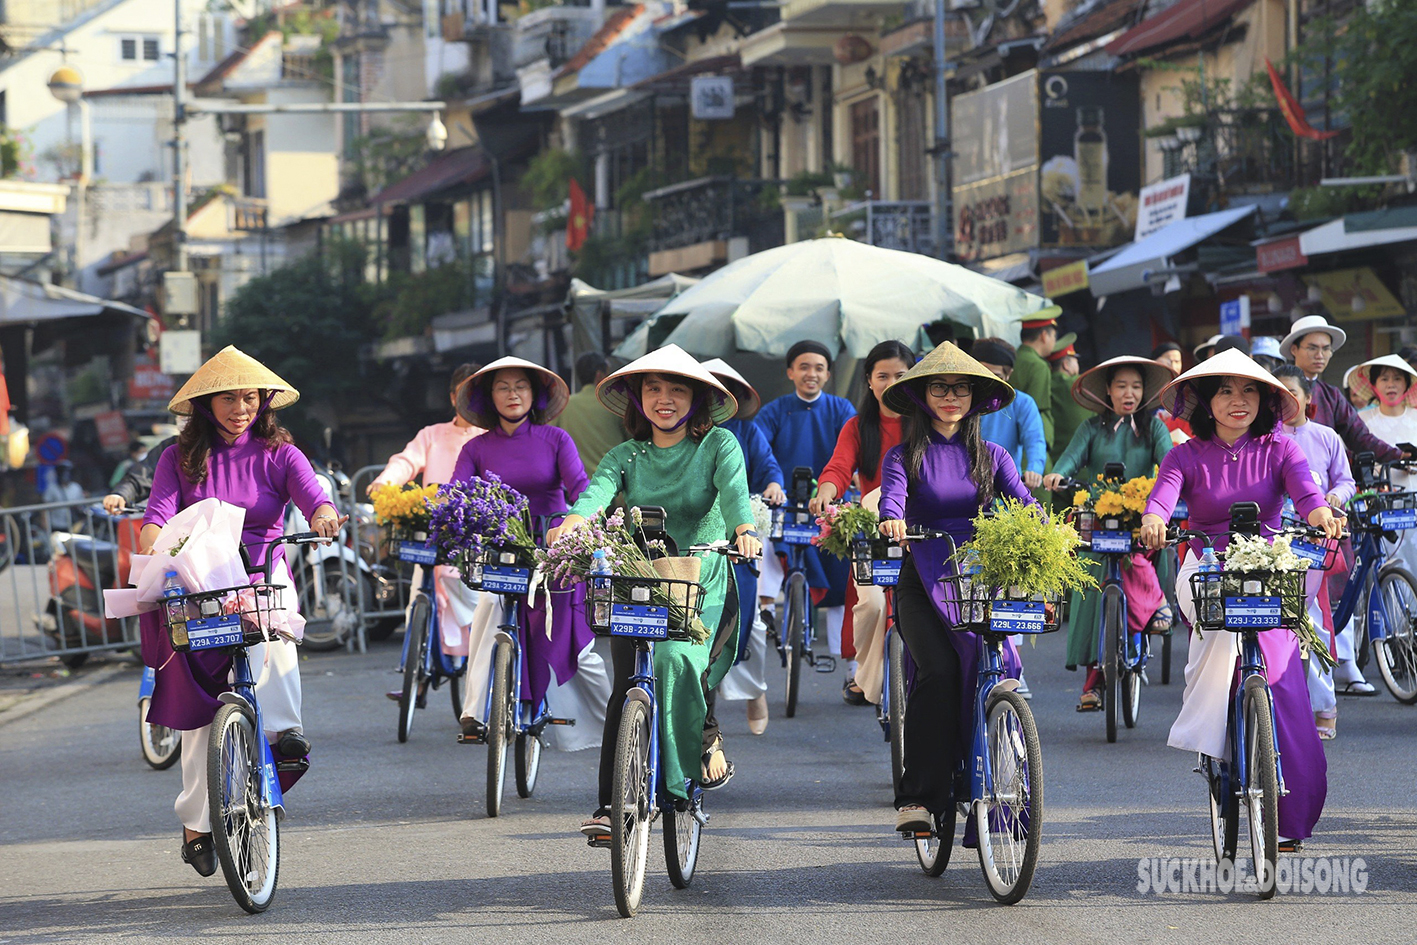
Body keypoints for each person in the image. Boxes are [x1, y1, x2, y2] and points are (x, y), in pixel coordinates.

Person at [139, 346, 343, 877]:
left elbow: (314, 496)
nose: (239, 407)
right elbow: (157, 514)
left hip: (262, 571)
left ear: (264, 401)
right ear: (206, 403)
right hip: (201, 578)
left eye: (249, 396)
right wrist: (153, 548)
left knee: (275, 634)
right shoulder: (176, 458)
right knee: (202, 712)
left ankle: (283, 731)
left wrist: (323, 512)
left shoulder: (279, 452)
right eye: (228, 397)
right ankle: (196, 822)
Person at [548, 345, 760, 838]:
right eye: (653, 389)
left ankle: (696, 751)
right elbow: (596, 492)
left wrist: (744, 528)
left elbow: (733, 494)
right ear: (638, 399)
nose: (664, 399)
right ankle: (609, 805)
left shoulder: (719, 445)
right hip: (641, 578)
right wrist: (574, 522)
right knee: (627, 684)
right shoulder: (626, 455)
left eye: (677, 390)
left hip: (701, 576)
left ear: (696, 399)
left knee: (677, 661)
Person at [1139, 348, 1343, 851]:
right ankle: (1213, 746)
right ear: (1206, 401)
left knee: (1283, 680)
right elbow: (1163, 496)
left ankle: (1288, 810)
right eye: (1225, 391)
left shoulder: (1281, 448)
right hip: (1205, 563)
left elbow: (1307, 495)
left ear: (1266, 399)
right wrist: (1153, 519)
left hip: (1268, 563)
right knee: (1217, 634)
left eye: (1249, 390)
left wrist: (1321, 516)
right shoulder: (1183, 454)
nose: (1238, 401)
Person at [876, 341, 1036, 832]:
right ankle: (918, 798)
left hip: (977, 576)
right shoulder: (901, 456)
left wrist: (1051, 534)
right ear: (923, 396)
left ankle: (998, 785)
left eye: (960, 389)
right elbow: (893, 501)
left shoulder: (993, 455)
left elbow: (1025, 504)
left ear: (974, 398)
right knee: (941, 671)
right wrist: (891, 521)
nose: (951, 397)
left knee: (1000, 666)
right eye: (940, 388)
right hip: (921, 579)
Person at [449, 357, 605, 746]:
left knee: (578, 650)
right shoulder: (477, 448)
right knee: (488, 610)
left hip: (554, 552)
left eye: (521, 385)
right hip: (503, 553)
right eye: (503, 387)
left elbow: (581, 490)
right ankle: (474, 713)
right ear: (490, 397)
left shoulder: (556, 440)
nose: (513, 393)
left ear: (534, 394)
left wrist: (577, 524)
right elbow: (457, 492)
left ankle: (619, 723)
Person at [1042, 356, 1175, 710]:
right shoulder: (1090, 428)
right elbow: (1069, 460)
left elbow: (1171, 464)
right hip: (1098, 514)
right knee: (1088, 577)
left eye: (1135, 386)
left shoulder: (1155, 428)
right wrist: (1058, 475)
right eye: (1121, 386)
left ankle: (1156, 601)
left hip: (1142, 517)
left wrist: (1167, 496)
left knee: (1145, 552)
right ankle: (1094, 678)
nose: (1128, 393)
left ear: (1144, 392)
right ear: (1108, 392)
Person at [810, 340, 914, 705]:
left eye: (900, 375)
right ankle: (864, 675)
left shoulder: (928, 423)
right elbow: (839, 467)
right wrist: (826, 491)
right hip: (875, 529)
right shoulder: (858, 426)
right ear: (869, 381)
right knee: (871, 605)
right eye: (882, 376)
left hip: (921, 528)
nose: (890, 382)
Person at [371, 364, 485, 683]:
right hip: (433, 529)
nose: (471, 400)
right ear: (452, 397)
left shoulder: (490, 437)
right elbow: (406, 461)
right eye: (465, 392)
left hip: (475, 535)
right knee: (417, 596)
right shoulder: (432, 434)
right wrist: (385, 483)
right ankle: (415, 672)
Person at [754, 340, 856, 659]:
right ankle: (767, 606)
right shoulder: (773, 411)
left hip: (831, 506)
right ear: (790, 372)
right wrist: (771, 484)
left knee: (841, 583)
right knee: (761, 531)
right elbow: (760, 452)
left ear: (827, 374)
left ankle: (847, 665)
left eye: (819, 368)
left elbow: (851, 454)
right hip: (785, 502)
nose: (811, 374)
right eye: (804, 367)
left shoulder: (842, 410)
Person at [1273, 365, 1357, 737]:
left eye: (1294, 393)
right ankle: (1270, 709)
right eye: (1279, 394)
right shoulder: (1263, 439)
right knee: (1271, 624)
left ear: (1309, 399)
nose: (1287, 401)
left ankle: (1325, 707)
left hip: (1313, 542)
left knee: (1314, 626)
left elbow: (1346, 481)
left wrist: (1333, 498)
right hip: (1270, 543)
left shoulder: (1326, 437)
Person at [705, 358, 784, 735]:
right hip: (693, 540)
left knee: (747, 621)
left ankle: (755, 690)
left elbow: (768, 467)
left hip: (740, 534)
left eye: (723, 390)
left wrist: (772, 485)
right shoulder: (679, 432)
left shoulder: (745, 432)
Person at [1282, 314, 1406, 463]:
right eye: (1312, 348)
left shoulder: (1331, 395)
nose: (1320, 355)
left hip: (1324, 476)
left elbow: (1358, 436)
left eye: (1326, 349)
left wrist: (1398, 455)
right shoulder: (1277, 389)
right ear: (1294, 349)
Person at [1352, 354, 1417, 579]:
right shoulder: (1361, 421)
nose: (1391, 384)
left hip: (1414, 501)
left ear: (1407, 384)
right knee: (1385, 567)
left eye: (1397, 378)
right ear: (1373, 384)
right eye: (1384, 378)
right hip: (1381, 505)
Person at [974, 338, 1046, 490]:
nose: (988, 382)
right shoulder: (960, 401)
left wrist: (1034, 470)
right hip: (965, 489)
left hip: (1005, 490)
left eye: (996, 377)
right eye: (983, 374)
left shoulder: (1022, 403)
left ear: (1009, 375)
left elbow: (1035, 441)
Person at [552, 352, 626, 478]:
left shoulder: (563, 405)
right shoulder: (615, 404)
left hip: (577, 485)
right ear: (599, 375)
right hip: (614, 482)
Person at [1012, 315, 1060, 450]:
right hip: (1030, 442)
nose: (1054, 342)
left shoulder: (1013, 358)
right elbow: (1037, 410)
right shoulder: (1038, 365)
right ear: (1044, 336)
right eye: (1054, 336)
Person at [1050, 338, 1090, 466]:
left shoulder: (1046, 385)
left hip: (1055, 463)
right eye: (1075, 360)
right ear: (1066, 365)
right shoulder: (1080, 385)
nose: (1078, 363)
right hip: (1082, 465)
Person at [1151, 342, 1191, 444]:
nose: (1173, 365)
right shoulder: (1145, 392)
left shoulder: (1185, 394)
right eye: (1168, 361)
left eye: (1177, 361)